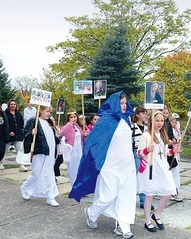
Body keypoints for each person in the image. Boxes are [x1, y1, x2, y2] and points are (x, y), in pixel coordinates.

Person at [69, 91, 136, 239]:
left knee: (126, 196)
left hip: (127, 165)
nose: (124, 106)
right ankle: (91, 213)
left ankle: (124, 226)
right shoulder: (106, 121)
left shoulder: (127, 120)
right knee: (108, 195)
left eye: (125, 103)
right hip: (110, 165)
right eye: (121, 103)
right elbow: (93, 142)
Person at [137, 111, 180, 233]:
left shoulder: (163, 134)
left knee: (168, 192)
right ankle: (147, 221)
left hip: (162, 166)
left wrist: (174, 151)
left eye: (161, 121)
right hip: (151, 167)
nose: (160, 123)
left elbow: (165, 152)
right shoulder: (146, 135)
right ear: (152, 121)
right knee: (149, 195)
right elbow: (139, 153)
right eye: (157, 120)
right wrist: (146, 150)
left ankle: (157, 215)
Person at [20, 105, 61, 207]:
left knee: (49, 174)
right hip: (39, 151)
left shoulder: (49, 122)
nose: (49, 114)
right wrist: (31, 133)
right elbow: (24, 134)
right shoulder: (33, 121)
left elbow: (51, 137)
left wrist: (60, 139)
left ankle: (50, 196)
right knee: (37, 173)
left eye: (50, 112)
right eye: (47, 111)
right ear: (40, 111)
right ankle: (25, 188)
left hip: (50, 152)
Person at [131, 106, 155, 210]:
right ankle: (133, 198)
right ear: (137, 115)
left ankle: (144, 200)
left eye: (146, 113)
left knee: (145, 176)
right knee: (137, 175)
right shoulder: (132, 126)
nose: (145, 115)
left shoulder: (148, 129)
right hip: (136, 153)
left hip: (146, 154)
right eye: (143, 113)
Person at [59, 110, 86, 187]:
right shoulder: (66, 127)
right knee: (73, 170)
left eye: (74, 117)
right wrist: (70, 124)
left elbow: (84, 135)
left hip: (79, 150)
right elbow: (62, 134)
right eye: (71, 117)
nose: (73, 118)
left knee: (80, 169)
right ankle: (74, 186)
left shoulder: (79, 127)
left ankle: (80, 187)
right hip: (72, 152)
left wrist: (85, 135)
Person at [5, 99, 27, 172]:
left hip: (18, 136)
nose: (13, 105)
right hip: (9, 136)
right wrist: (8, 132)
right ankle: (0, 163)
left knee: (20, 150)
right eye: (11, 104)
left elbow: (21, 123)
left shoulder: (18, 114)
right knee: (4, 150)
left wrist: (21, 131)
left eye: (14, 104)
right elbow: (5, 124)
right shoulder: (5, 114)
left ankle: (21, 165)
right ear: (9, 105)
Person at [168, 114, 184, 202]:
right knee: (172, 170)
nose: (174, 124)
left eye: (175, 122)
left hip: (175, 150)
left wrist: (178, 137)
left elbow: (177, 137)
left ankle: (175, 189)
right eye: (172, 122)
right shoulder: (168, 129)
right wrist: (174, 140)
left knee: (175, 170)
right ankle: (172, 191)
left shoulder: (175, 129)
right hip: (170, 150)